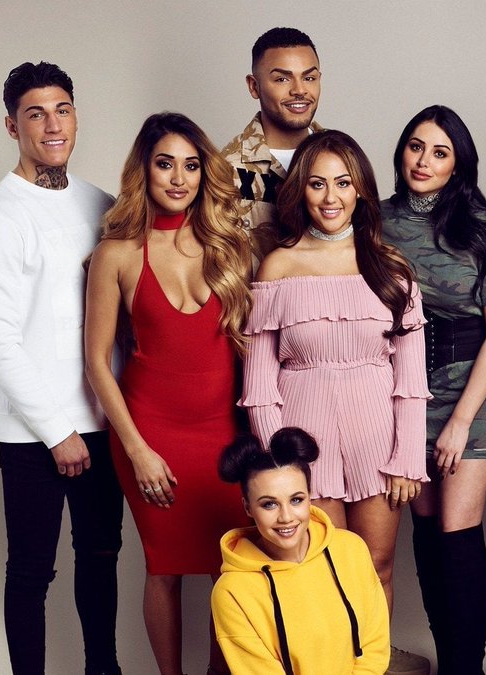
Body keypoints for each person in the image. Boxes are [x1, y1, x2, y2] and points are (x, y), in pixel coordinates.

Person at [240, 129, 430, 675]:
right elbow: (259, 387)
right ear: (300, 190)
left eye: (343, 183)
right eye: (317, 184)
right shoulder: (277, 267)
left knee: (376, 566)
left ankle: (370, 668)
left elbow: (410, 378)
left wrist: (407, 458)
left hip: (378, 445)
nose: (330, 197)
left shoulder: (391, 268)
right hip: (304, 449)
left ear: (361, 190)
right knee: (319, 571)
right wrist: (280, 467)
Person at [0, 61, 124, 675]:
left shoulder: (101, 203)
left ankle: (102, 668)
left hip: (103, 421)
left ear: (75, 117)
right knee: (31, 572)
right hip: (34, 433)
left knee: (101, 557)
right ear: (13, 126)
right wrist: (57, 431)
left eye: (63, 110)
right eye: (36, 114)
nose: (53, 125)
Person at [84, 112, 252, 674]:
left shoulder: (229, 246)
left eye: (191, 165)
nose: (179, 178)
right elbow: (96, 362)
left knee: (231, 568)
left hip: (223, 438)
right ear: (144, 170)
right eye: (165, 164)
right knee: (164, 567)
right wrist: (138, 450)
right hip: (150, 433)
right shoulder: (116, 254)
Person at [381, 105, 486, 674]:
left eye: (440, 152)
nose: (424, 161)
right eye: (416, 146)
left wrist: (462, 421)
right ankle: (449, 662)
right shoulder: (375, 220)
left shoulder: (485, 226)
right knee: (426, 531)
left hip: (474, 389)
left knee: (456, 531)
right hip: (405, 388)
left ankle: (466, 667)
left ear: (458, 165)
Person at [212, 428, 390, 675]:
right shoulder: (231, 591)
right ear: (248, 508)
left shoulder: (351, 549)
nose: (286, 517)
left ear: (309, 496)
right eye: (269, 504)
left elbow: (374, 644)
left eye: (296, 500)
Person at [223, 27, 325, 260]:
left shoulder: (343, 157)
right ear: (254, 86)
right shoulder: (225, 170)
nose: (299, 90)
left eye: (309, 78)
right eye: (282, 79)